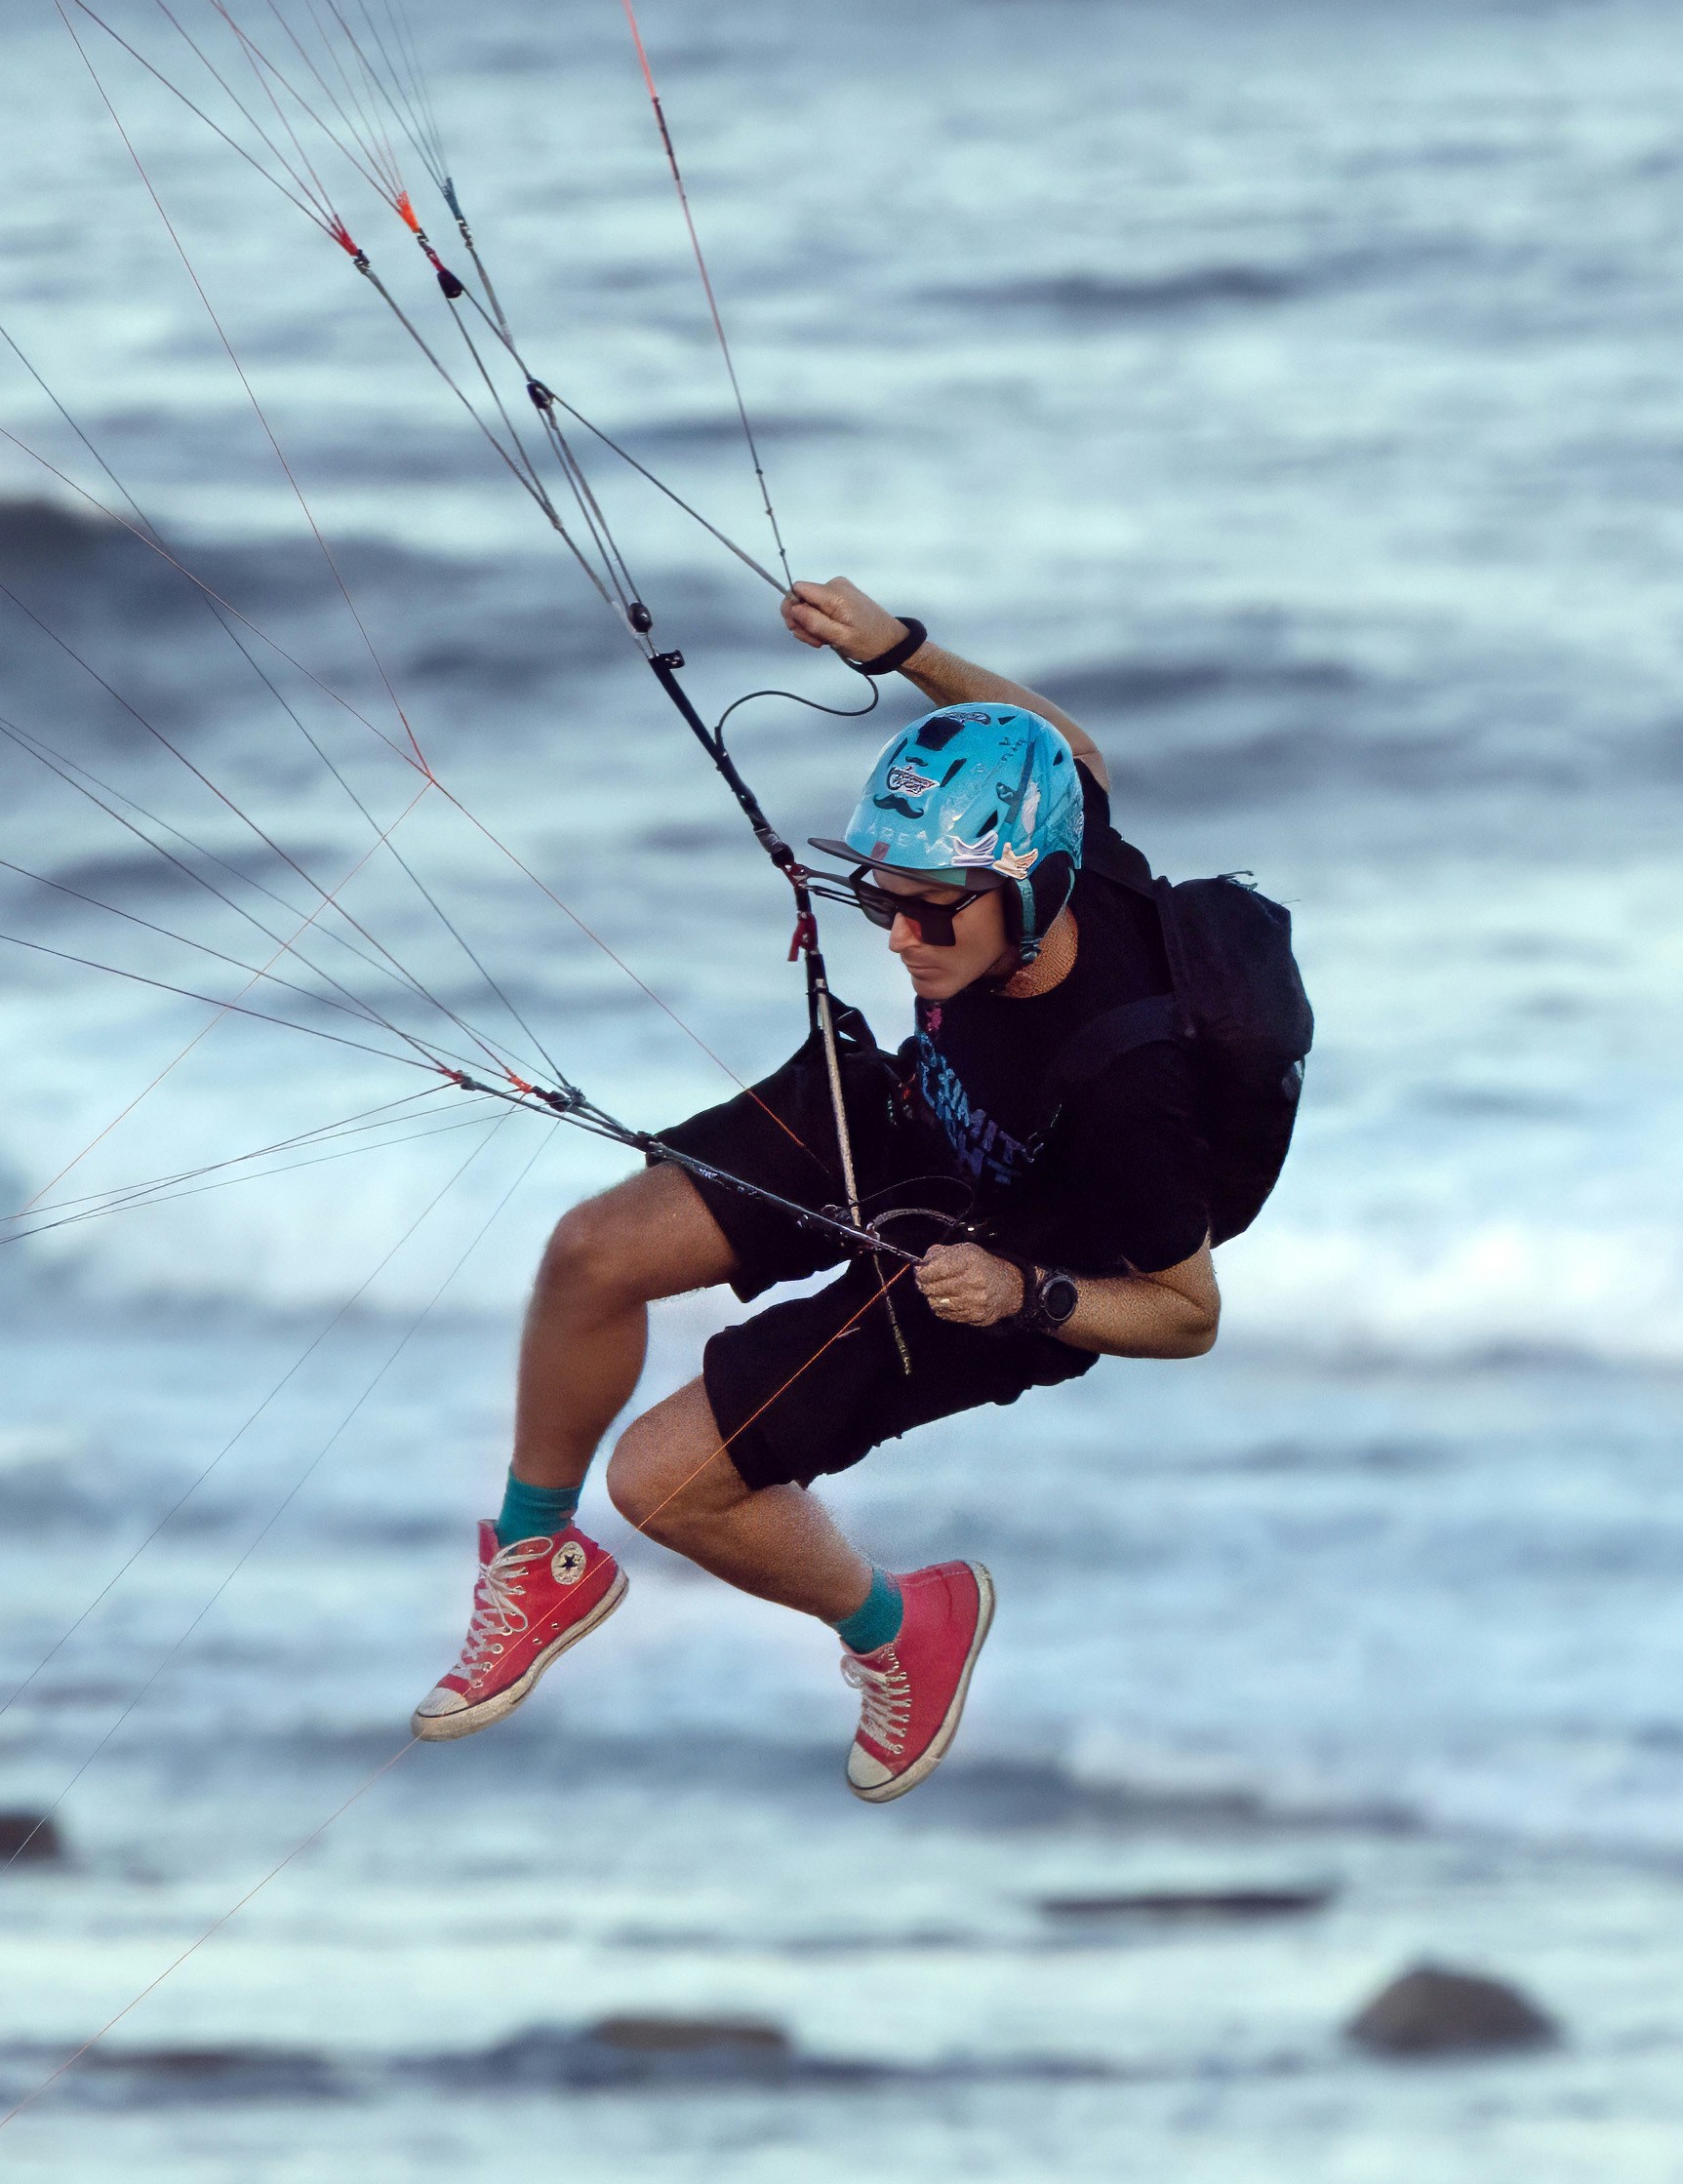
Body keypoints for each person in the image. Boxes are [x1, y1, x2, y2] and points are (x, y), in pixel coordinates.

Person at [410, 577, 1224, 1802]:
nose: (895, 938)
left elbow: (1185, 1314)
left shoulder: (1130, 1076)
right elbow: (1070, 749)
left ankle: (905, 1624)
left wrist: (1017, 1292)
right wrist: (897, 648)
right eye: (877, 899)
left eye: (928, 912)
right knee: (589, 1253)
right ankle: (536, 1559)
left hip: (1003, 1259)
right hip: (908, 1117)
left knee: (662, 1485)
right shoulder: (1067, 847)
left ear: (1034, 890)